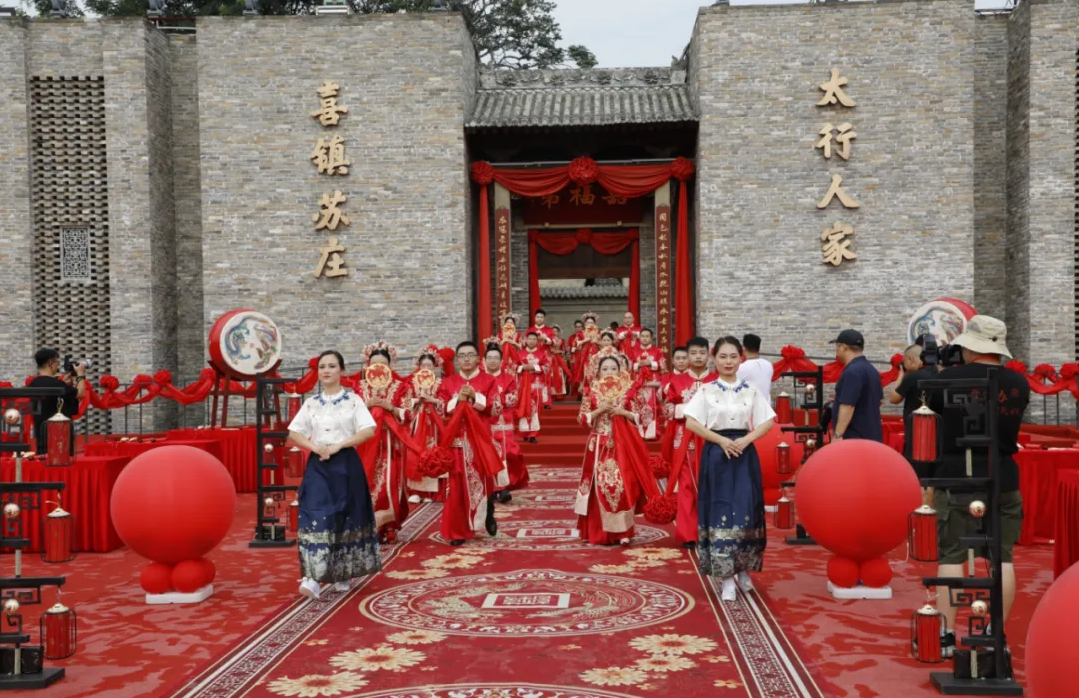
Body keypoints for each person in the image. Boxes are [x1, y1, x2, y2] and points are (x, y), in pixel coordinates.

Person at [928, 316, 1028, 658]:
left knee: (953, 553)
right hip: (1003, 476)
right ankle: (994, 634)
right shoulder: (1018, 383)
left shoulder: (948, 379)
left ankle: (944, 635)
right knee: (1003, 556)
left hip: (959, 474)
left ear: (969, 348)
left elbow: (933, 415)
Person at [685, 336, 776, 602]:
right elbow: (691, 422)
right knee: (721, 511)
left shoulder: (751, 390)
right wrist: (722, 441)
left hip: (744, 454)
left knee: (746, 509)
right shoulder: (706, 391)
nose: (728, 362)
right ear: (714, 359)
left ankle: (744, 569)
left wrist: (746, 440)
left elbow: (768, 421)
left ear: (741, 359)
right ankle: (726, 577)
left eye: (733, 357)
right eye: (723, 357)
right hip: (717, 455)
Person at [287, 350, 380, 600]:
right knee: (316, 513)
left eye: (331, 366)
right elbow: (294, 432)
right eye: (322, 367)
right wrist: (315, 447)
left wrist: (340, 445)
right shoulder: (311, 403)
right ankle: (313, 577)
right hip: (319, 463)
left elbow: (368, 430)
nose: (326, 371)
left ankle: (342, 571)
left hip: (346, 462)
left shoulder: (353, 401)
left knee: (344, 515)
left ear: (341, 370)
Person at [575, 356, 658, 545]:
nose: (609, 372)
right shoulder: (591, 391)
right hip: (598, 443)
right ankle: (599, 532)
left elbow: (641, 417)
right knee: (598, 486)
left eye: (613, 368)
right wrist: (599, 410)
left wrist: (623, 413)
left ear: (620, 371)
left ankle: (623, 531)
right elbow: (581, 419)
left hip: (621, 444)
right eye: (605, 369)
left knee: (622, 485)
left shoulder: (627, 391)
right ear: (598, 372)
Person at [437, 341, 503, 545]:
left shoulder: (489, 381)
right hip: (456, 441)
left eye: (470, 355)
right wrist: (457, 400)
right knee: (456, 487)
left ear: (478, 359)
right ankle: (458, 531)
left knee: (482, 482)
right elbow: (440, 409)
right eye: (462, 355)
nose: (466, 359)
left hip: (479, 440)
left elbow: (496, 409)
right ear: (457, 360)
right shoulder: (448, 383)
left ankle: (487, 511)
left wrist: (476, 397)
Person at [661, 337, 717, 547]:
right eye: (693, 353)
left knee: (712, 483)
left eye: (702, 353)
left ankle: (712, 530)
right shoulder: (675, 381)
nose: (698, 357)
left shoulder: (717, 381)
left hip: (712, 438)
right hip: (685, 440)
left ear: (708, 355)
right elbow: (667, 410)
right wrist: (689, 409)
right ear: (688, 356)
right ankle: (688, 534)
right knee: (685, 485)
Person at [355, 342, 411, 544]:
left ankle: (389, 525)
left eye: (383, 364)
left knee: (389, 483)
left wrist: (391, 408)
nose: (378, 368)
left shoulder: (400, 387)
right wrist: (366, 405)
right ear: (367, 365)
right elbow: (349, 414)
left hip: (390, 442)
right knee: (367, 481)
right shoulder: (359, 387)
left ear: (390, 366)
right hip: (367, 442)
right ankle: (371, 525)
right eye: (374, 364)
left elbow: (408, 414)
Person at [484, 344, 528, 501]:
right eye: (490, 358)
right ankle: (491, 487)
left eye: (496, 358)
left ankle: (503, 486)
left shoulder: (508, 379)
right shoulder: (480, 379)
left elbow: (512, 399)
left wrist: (490, 400)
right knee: (488, 454)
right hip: (485, 424)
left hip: (503, 424)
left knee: (508, 453)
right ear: (484, 360)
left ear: (501, 361)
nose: (492, 361)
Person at [404, 349, 447, 504]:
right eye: (423, 365)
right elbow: (405, 402)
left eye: (429, 365)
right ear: (419, 366)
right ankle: (415, 491)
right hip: (416, 422)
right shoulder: (411, 383)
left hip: (434, 424)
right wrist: (417, 400)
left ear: (434, 367)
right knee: (416, 453)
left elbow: (444, 403)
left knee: (433, 454)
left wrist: (431, 399)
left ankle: (430, 492)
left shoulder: (439, 384)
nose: (426, 368)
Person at [28, 348, 86, 456]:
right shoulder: (56, 384)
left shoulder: (33, 383)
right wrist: (81, 374)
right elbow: (81, 393)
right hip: (60, 437)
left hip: (41, 435)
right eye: (57, 363)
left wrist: (63, 383)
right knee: (62, 464)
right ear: (51, 363)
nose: (57, 366)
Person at [830, 329, 883, 442]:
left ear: (843, 347)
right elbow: (879, 401)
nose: (836, 350)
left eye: (837, 346)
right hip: (871, 436)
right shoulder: (871, 370)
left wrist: (838, 435)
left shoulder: (852, 371)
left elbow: (848, 405)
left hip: (854, 439)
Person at [629, 328, 666, 440]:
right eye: (643, 336)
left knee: (652, 408)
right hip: (638, 384)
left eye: (647, 336)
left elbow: (663, 366)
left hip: (652, 384)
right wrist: (638, 365)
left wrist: (651, 363)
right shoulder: (633, 350)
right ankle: (638, 433)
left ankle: (652, 433)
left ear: (651, 338)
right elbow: (628, 366)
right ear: (639, 338)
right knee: (638, 408)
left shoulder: (657, 351)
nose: (645, 338)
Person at [516, 331, 548, 442]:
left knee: (536, 409)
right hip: (523, 386)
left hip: (536, 386)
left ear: (537, 341)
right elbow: (513, 366)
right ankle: (525, 432)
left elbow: (547, 367)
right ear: (526, 340)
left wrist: (534, 367)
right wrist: (523, 367)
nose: (531, 341)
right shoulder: (519, 353)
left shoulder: (542, 354)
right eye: (530, 339)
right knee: (524, 407)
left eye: (534, 339)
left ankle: (533, 434)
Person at [527, 308, 557, 408]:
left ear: (544, 318)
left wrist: (546, 338)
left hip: (545, 357)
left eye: (541, 317)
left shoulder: (549, 330)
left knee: (546, 379)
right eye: (537, 317)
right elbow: (525, 343)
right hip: (533, 356)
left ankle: (546, 401)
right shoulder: (530, 330)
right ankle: (533, 399)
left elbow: (554, 343)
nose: (539, 319)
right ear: (534, 318)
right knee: (532, 377)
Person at [737, 333, 774, 401]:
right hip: (766, 406)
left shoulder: (741, 368)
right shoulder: (769, 365)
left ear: (744, 349)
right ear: (758, 349)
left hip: (750, 406)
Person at [572, 313, 602, 393]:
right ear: (585, 324)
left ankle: (595, 392)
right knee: (586, 372)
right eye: (588, 322)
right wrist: (586, 340)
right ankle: (586, 392)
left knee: (596, 371)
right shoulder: (581, 333)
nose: (590, 324)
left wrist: (597, 342)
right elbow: (575, 345)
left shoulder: (599, 332)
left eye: (591, 322)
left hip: (596, 355)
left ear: (594, 323)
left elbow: (604, 343)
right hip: (585, 356)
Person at [548, 325, 571, 400]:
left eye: (556, 331)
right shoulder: (548, 340)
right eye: (553, 331)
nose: (554, 332)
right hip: (550, 359)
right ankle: (551, 394)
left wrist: (560, 352)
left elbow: (564, 351)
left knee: (559, 375)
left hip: (559, 359)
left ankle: (558, 394)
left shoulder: (562, 340)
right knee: (551, 376)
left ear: (558, 332)